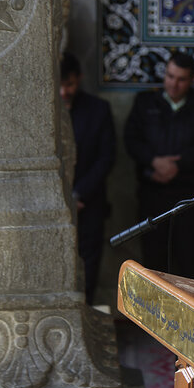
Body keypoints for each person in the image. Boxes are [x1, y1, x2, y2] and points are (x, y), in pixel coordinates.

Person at [123, 51, 194, 277]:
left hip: (189, 196)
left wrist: (179, 166)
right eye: (170, 76)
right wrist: (153, 162)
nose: (174, 84)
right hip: (152, 192)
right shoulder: (145, 102)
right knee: (153, 261)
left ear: (191, 80)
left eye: (181, 79)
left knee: (187, 259)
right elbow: (131, 139)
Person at [59, 52, 116, 305]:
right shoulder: (46, 109)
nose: (64, 92)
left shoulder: (97, 109)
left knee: (89, 266)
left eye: (69, 84)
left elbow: (106, 157)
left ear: (79, 79)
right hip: (55, 204)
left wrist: (79, 194)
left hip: (89, 203)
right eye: (60, 85)